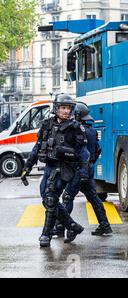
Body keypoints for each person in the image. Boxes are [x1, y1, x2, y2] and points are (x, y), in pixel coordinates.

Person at [21, 94, 88, 247]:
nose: (66, 111)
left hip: (65, 167)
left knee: (51, 199)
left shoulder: (76, 127)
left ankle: (46, 235)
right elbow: (38, 146)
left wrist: (83, 173)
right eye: (63, 108)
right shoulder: (47, 124)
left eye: (68, 108)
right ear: (56, 108)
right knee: (46, 198)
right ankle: (72, 226)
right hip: (49, 166)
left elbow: (84, 152)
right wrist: (27, 166)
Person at [53, 102, 112, 237]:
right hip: (88, 167)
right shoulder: (91, 131)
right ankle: (105, 225)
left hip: (78, 169)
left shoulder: (76, 130)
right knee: (93, 197)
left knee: (68, 196)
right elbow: (97, 150)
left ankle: (61, 227)